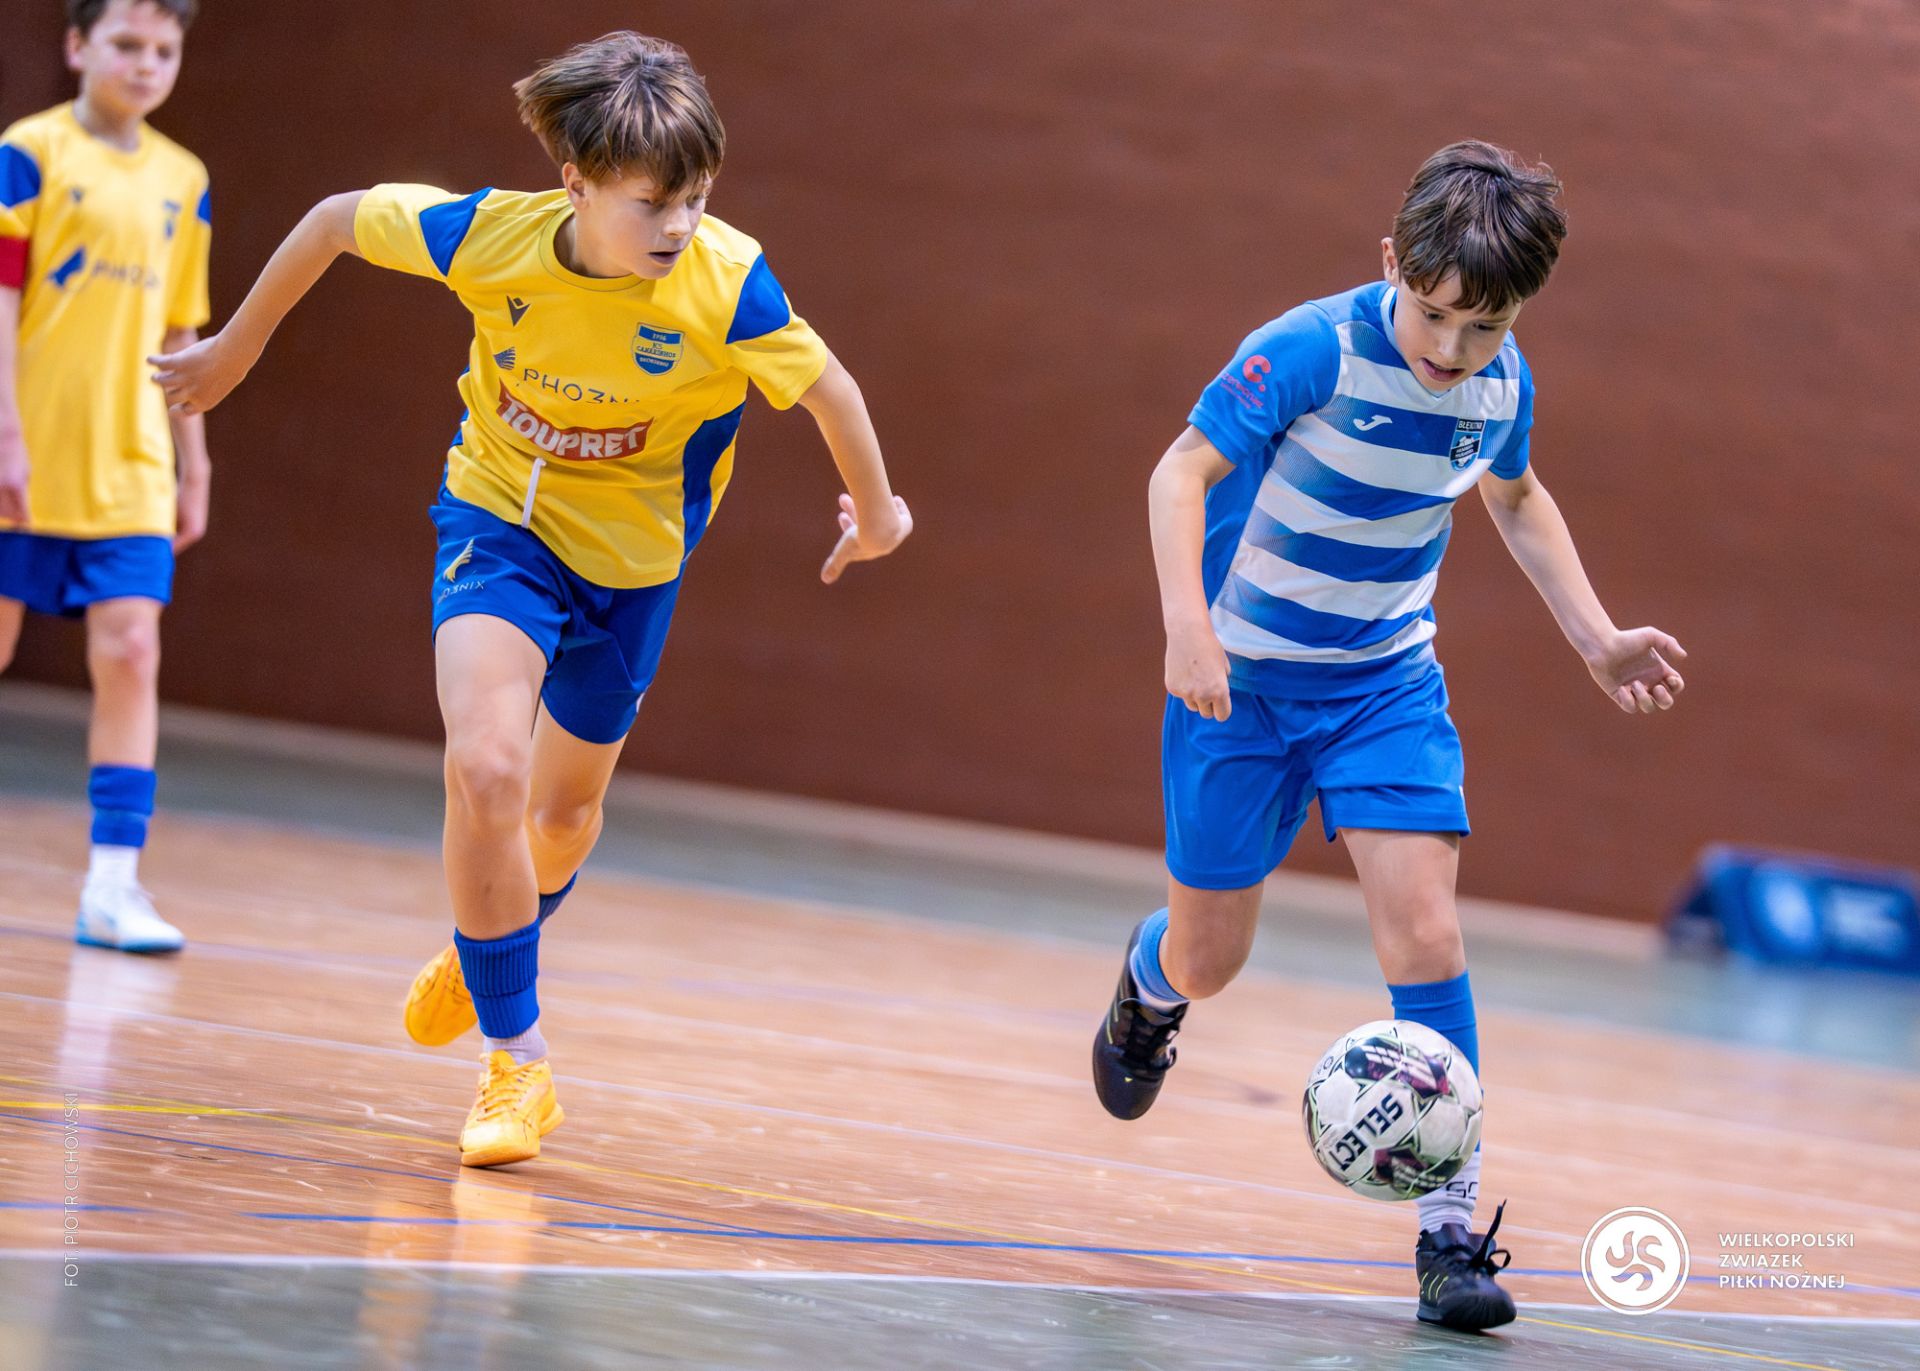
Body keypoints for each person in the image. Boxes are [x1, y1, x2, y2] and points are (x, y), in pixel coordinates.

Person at [151, 31, 911, 1168]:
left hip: (635, 567)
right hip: (499, 526)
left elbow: (832, 392)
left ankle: (483, 950)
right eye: (653, 203)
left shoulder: (726, 282)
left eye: (697, 199)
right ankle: (519, 1061)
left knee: (559, 821)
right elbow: (334, 221)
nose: (679, 225)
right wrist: (236, 349)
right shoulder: (489, 238)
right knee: (489, 766)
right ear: (575, 184)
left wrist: (880, 515)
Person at [1090, 140, 1686, 1331]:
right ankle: (1151, 988)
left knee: (1426, 931)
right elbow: (1179, 474)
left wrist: (1594, 636)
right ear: (1390, 267)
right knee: (1212, 957)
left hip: (1383, 688)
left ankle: (1449, 1234)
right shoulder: (1309, 349)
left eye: (1487, 326)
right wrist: (1188, 628)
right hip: (1239, 688)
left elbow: (1517, 495)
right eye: (1435, 315)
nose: (1453, 349)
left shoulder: (1501, 386)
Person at [0, 0, 213, 954]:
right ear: (78, 46)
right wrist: (5, 430)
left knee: (131, 650)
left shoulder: (184, 178)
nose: (146, 63)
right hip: (26, 447)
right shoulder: (28, 152)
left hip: (132, 461)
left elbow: (181, 330)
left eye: (165, 49)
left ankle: (113, 885)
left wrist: (195, 459)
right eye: (127, 44)